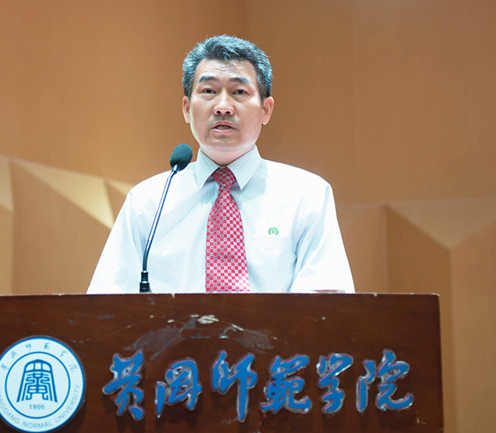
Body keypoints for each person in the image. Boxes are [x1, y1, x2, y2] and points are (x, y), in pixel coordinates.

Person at [87, 35, 354, 294]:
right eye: (208, 91)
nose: (223, 107)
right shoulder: (149, 202)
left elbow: (326, 303)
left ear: (266, 110)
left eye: (239, 92)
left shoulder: (306, 196)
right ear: (186, 108)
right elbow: (106, 302)